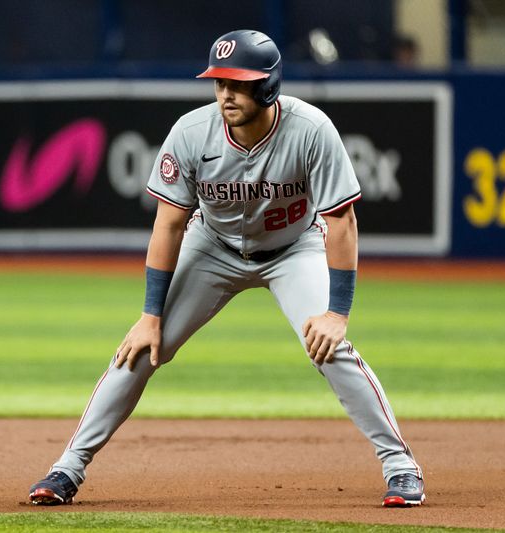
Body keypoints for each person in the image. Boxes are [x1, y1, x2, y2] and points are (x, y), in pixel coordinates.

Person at [29, 29, 425, 508]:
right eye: (219, 83)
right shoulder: (193, 132)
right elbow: (169, 225)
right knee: (139, 349)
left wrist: (337, 313)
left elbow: (341, 221)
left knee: (329, 347)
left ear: (268, 86)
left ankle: (400, 466)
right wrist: (150, 314)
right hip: (212, 247)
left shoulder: (311, 129)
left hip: (293, 249)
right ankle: (67, 468)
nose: (225, 94)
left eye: (237, 84)